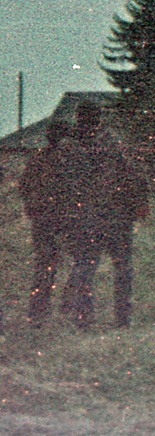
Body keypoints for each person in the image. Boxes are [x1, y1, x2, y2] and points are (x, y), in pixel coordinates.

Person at [62, 102, 150, 329]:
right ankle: (122, 319)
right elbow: (135, 175)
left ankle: (84, 318)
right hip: (117, 216)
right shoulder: (113, 142)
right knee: (122, 269)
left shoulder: (68, 146)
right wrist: (138, 204)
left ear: (78, 116)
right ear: (99, 118)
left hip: (85, 216)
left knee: (84, 268)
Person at [19, 121, 72, 326]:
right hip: (64, 219)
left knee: (45, 266)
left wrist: (33, 210)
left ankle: (38, 311)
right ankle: (65, 309)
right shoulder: (67, 161)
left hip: (43, 220)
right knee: (75, 264)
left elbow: (24, 188)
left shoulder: (37, 159)